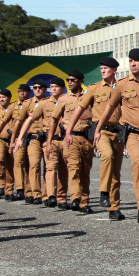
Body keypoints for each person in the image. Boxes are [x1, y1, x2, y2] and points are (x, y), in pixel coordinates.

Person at [95, 48, 139, 224]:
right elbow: (109, 107)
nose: (132, 64)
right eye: (130, 60)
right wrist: (97, 128)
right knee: (138, 162)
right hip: (132, 133)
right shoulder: (122, 84)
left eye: (136, 61)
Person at [64, 57, 122, 218]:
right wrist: (68, 131)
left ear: (114, 70)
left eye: (106, 68)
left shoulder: (122, 86)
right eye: (101, 68)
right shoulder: (94, 88)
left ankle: (114, 208)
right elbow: (79, 109)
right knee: (107, 155)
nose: (103, 70)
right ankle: (103, 192)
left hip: (118, 132)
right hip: (100, 131)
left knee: (116, 174)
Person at [15, 78, 67, 208]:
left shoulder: (67, 101)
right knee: (41, 166)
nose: (37, 90)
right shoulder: (42, 104)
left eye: (56, 86)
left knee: (62, 168)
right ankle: (41, 195)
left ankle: (57, 196)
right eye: (52, 86)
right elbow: (27, 120)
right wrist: (19, 138)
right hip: (43, 139)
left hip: (64, 139)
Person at [48, 70, 94, 213]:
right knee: (73, 168)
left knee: (85, 172)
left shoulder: (89, 96)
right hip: (70, 138)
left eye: (73, 80)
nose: (69, 82)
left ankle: (84, 202)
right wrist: (49, 141)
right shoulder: (63, 99)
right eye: (68, 80)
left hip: (87, 139)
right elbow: (54, 120)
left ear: (80, 81)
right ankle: (75, 199)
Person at [12, 79, 49, 204]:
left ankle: (47, 194)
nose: (37, 89)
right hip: (33, 138)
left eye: (40, 87)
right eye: (35, 87)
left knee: (49, 167)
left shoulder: (50, 102)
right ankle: (35, 193)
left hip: (48, 137)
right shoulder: (28, 103)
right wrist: (15, 139)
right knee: (34, 164)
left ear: (45, 89)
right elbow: (19, 122)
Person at [0, 84, 31, 201]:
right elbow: (2, 122)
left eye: (24, 91)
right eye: (20, 91)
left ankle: (26, 190)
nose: (22, 93)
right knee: (6, 162)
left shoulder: (33, 105)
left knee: (25, 164)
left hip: (28, 138)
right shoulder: (13, 107)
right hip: (12, 138)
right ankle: (9, 188)